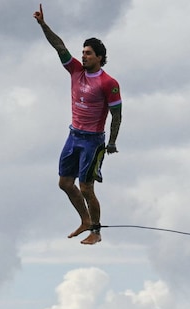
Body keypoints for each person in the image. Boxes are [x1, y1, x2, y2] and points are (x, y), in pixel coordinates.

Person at [33, 4, 122, 245]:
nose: (83, 56)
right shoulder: (75, 71)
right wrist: (43, 25)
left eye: (88, 53)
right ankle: (84, 220)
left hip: (93, 141)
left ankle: (96, 231)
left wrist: (112, 142)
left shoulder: (108, 82)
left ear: (99, 57)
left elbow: (117, 114)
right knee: (64, 183)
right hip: (73, 136)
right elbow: (59, 46)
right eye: (83, 52)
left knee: (86, 187)